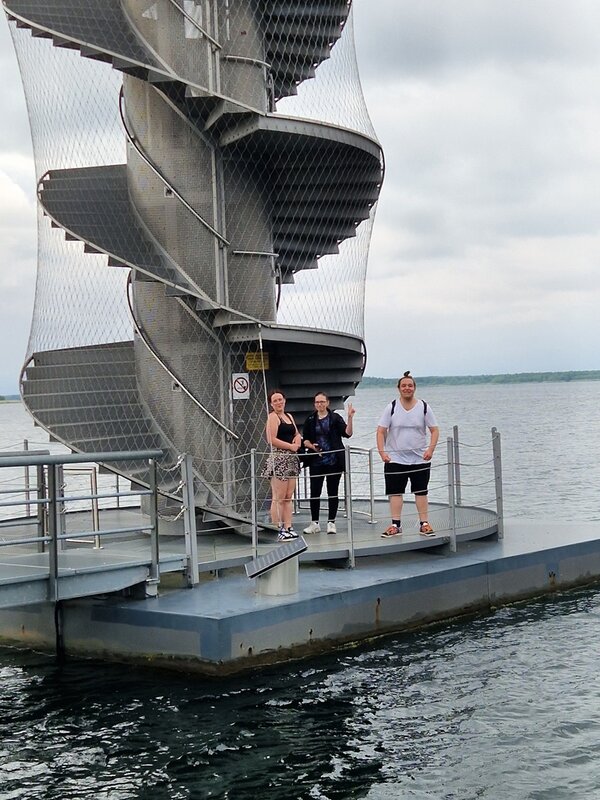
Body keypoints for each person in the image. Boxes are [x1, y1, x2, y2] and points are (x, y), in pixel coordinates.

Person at [376, 371, 439, 538]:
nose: (407, 388)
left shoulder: (424, 407)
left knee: (421, 491)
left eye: (410, 385)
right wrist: (382, 452)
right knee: (395, 492)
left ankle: (424, 523)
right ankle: (395, 525)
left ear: (414, 388)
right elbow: (381, 431)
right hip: (395, 458)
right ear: (398, 388)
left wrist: (430, 449)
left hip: (419, 459)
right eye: (404, 385)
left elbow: (434, 430)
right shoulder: (392, 407)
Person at [302, 393, 355, 535]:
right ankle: (315, 523)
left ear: (327, 403)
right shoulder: (311, 419)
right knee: (315, 492)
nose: (319, 404)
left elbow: (348, 433)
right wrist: (312, 446)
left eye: (322, 401)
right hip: (316, 461)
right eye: (317, 402)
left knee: (333, 492)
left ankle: (331, 522)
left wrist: (350, 417)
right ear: (314, 404)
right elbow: (305, 440)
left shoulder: (335, 418)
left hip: (334, 461)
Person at [262, 389, 302, 540]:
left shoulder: (289, 416)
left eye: (280, 399)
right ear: (272, 404)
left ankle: (288, 526)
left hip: (291, 461)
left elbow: (296, 433)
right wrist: (289, 446)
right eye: (275, 400)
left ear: (284, 400)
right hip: (279, 459)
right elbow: (271, 439)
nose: (279, 402)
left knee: (288, 496)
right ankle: (277, 528)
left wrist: (297, 441)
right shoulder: (272, 418)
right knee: (278, 497)